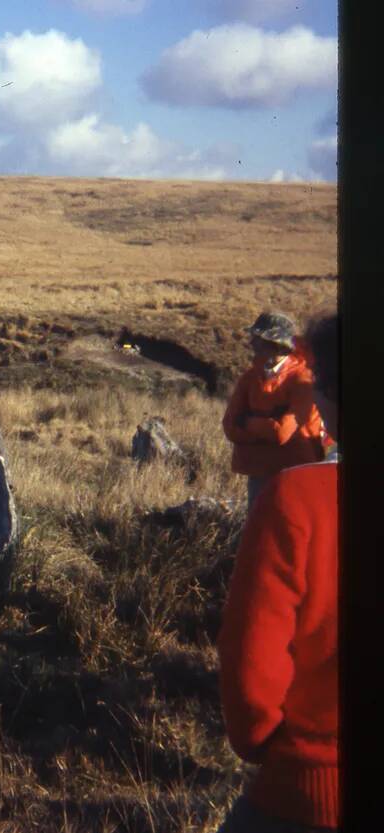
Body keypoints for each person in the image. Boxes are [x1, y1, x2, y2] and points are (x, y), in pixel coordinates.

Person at [216, 312, 339, 832]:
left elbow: (251, 656)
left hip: (307, 791)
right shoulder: (253, 378)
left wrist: (265, 743)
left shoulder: (301, 500)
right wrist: (261, 429)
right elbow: (231, 424)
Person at [222, 311, 328, 510]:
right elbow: (229, 427)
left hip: (295, 471)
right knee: (259, 530)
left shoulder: (303, 380)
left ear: (277, 344)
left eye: (258, 339)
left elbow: (281, 433)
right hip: (259, 472)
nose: (251, 343)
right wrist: (268, 425)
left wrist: (247, 421)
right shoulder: (249, 378)